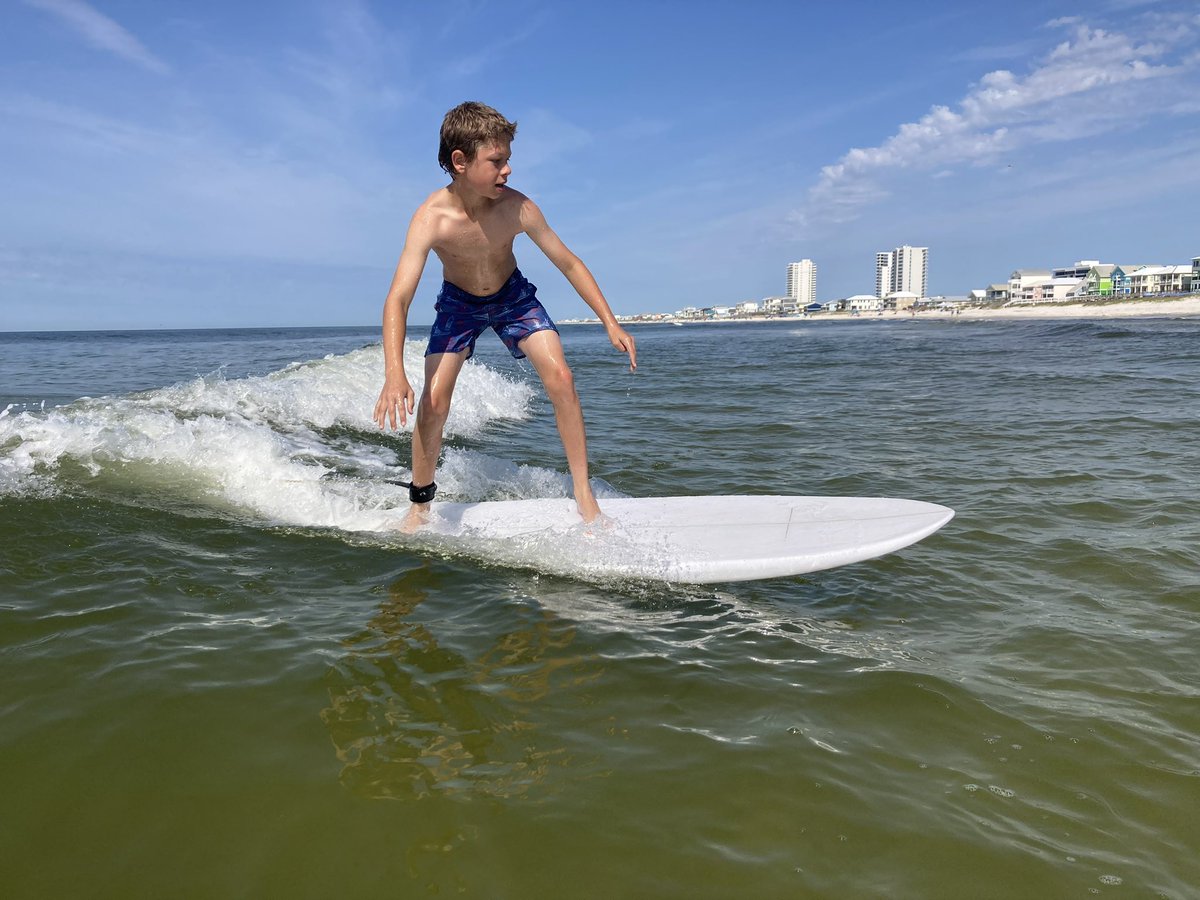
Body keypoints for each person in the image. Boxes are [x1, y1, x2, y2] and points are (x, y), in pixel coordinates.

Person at [372, 101, 636, 528]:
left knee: (562, 377)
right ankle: (420, 504)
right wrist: (393, 372)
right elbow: (398, 298)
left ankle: (584, 494)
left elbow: (568, 262)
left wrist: (610, 321)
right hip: (458, 303)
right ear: (460, 162)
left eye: (508, 160)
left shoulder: (517, 208)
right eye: (496, 161)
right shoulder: (430, 219)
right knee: (435, 400)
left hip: (513, 297)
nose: (507, 170)